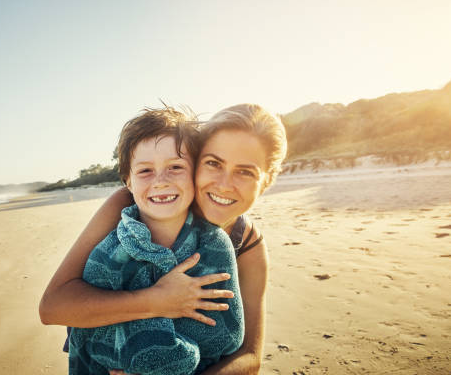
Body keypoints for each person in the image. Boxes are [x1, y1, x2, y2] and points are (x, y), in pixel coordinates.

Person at [40, 104, 288, 374]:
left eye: (245, 171)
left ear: (266, 181)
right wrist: (156, 301)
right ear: (197, 164)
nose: (224, 184)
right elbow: (53, 306)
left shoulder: (246, 242)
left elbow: (250, 356)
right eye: (213, 163)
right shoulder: (132, 206)